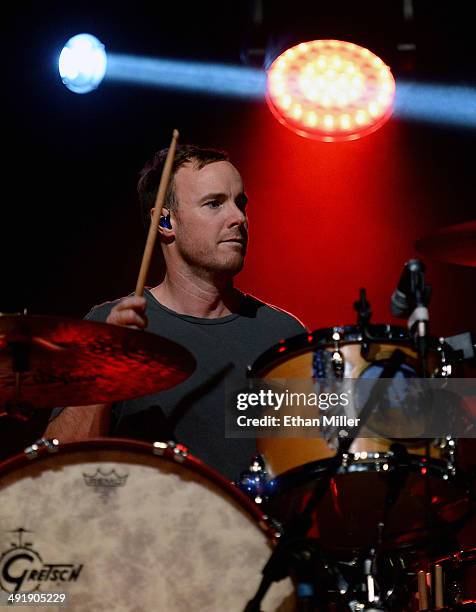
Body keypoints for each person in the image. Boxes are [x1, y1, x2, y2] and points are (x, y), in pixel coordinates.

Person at [45, 145, 306, 480]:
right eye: (214, 203)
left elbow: (316, 469)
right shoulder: (110, 324)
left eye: (240, 203)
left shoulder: (282, 335)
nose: (238, 218)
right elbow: (57, 468)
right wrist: (104, 367)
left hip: (256, 529)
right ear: (165, 222)